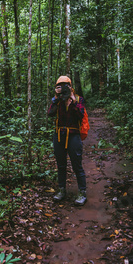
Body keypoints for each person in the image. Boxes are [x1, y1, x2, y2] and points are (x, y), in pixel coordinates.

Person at [47, 76, 87, 205]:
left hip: (73, 135)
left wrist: (73, 102)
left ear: (70, 86)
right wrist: (56, 99)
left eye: (65, 86)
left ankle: (82, 192)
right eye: (60, 86)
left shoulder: (79, 99)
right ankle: (62, 190)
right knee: (61, 164)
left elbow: (81, 115)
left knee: (77, 164)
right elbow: (50, 114)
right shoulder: (57, 100)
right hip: (59, 135)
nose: (63, 88)